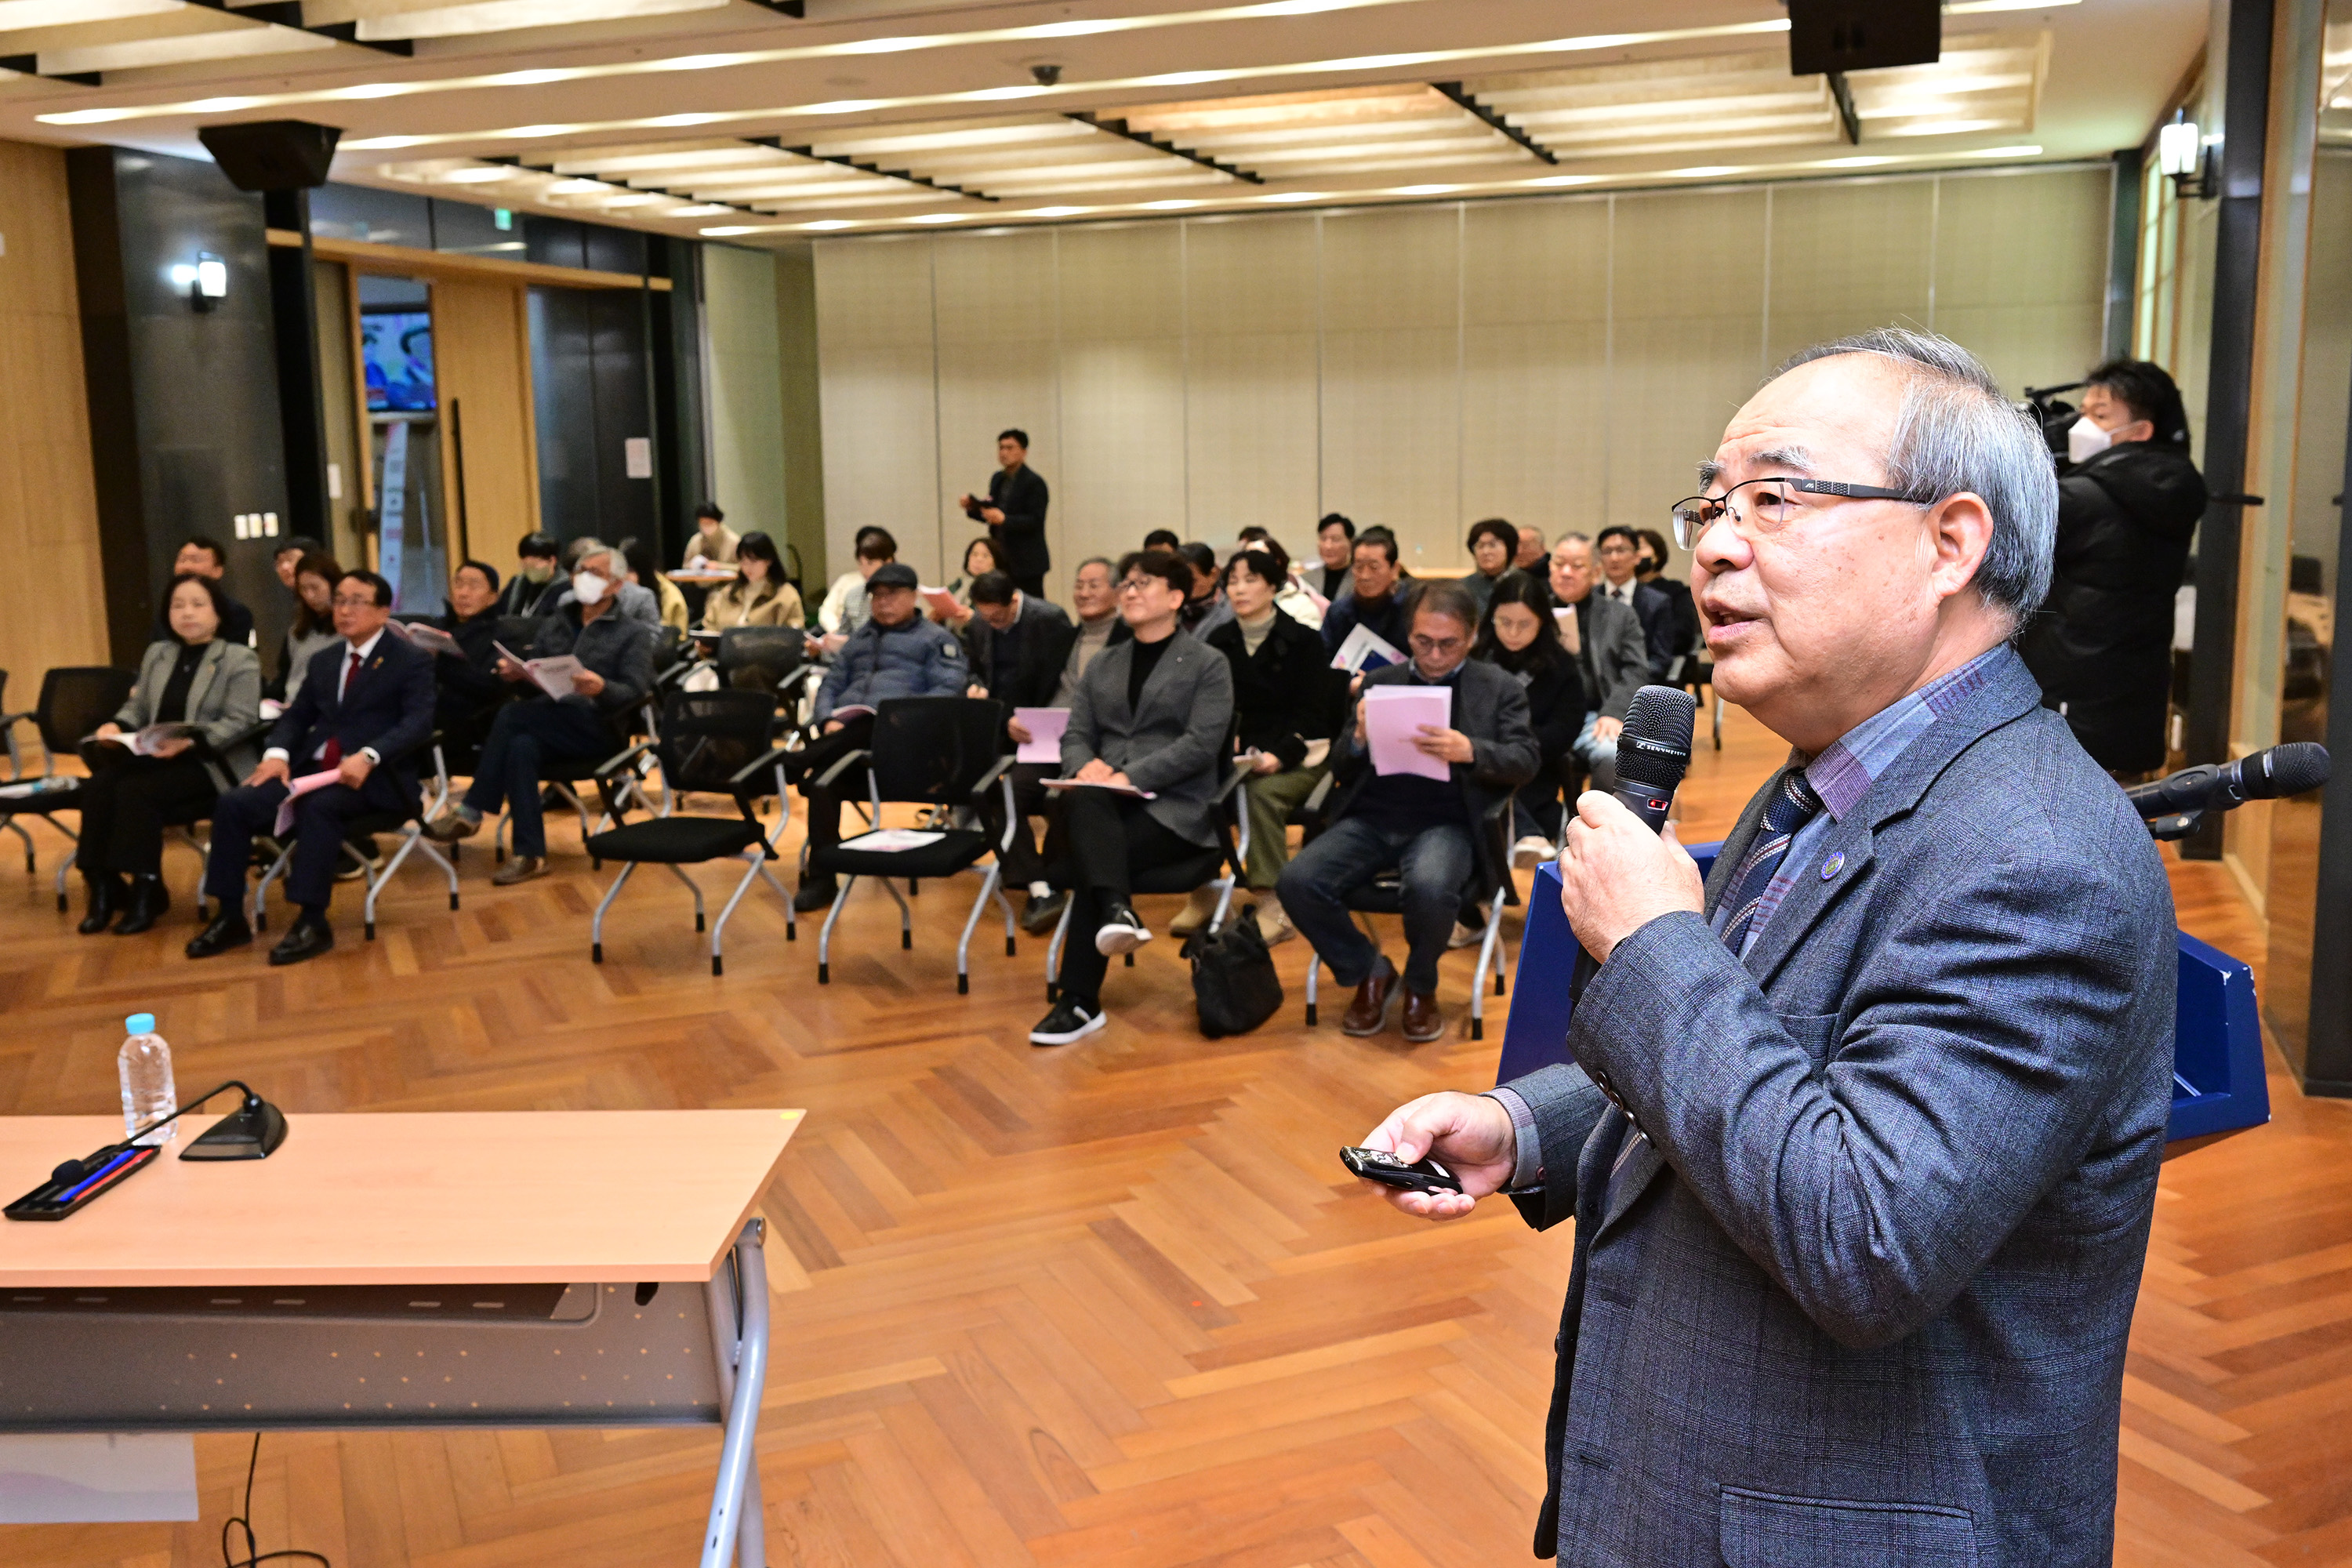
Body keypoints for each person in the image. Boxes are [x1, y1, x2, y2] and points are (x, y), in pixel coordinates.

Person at [1361, 329, 2175, 1568]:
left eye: (1777, 499)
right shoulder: (1824, 783)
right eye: (1711, 503)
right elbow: (1779, 1058)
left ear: (1950, 544)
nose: (1719, 543)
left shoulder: (2034, 852)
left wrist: (1651, 941)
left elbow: (1867, 1234)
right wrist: (1529, 1130)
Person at [1279, 581, 1534, 1042]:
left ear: (1472, 636)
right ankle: (1370, 971)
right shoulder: (1380, 683)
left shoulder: (1498, 688)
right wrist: (1357, 738)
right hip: (1373, 816)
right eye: (1422, 642)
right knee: (1296, 882)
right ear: (1408, 634)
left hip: (1448, 822)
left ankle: (1421, 985)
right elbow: (1338, 765)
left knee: (1431, 887)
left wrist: (1471, 750)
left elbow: (1526, 759)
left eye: (1448, 644)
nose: (1434, 655)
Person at [1027, 549, 1235, 1047]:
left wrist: (1128, 775)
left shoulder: (1208, 664)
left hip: (1176, 811)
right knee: (1086, 804)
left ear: (1177, 598)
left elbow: (1201, 745)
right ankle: (1116, 911)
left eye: (1145, 583)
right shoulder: (1105, 663)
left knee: (1087, 856)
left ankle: (1079, 1000)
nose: (1131, 591)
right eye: (1129, 584)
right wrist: (1085, 767)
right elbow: (1075, 733)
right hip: (1105, 806)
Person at [187, 569, 436, 967]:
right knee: (235, 803)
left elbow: (417, 723)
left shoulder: (410, 661)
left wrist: (371, 754)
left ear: (384, 612)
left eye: (357, 601)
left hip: (377, 780)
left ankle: (312, 921)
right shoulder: (324, 660)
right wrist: (277, 756)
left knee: (320, 808)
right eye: (340, 600)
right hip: (311, 772)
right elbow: (296, 717)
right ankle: (230, 914)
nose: (345, 609)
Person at [423, 542, 655, 885]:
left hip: (599, 728)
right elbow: (539, 676)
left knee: (512, 717)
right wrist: (519, 675)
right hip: (549, 719)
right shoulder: (557, 622)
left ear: (617, 585)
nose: (585, 579)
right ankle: (530, 855)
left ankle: (473, 809)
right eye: (580, 571)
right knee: (520, 746)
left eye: (596, 573)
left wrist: (602, 687)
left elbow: (636, 692)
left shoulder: (631, 632)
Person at [2019, 358, 2207, 775]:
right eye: (2082, 411)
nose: (2080, 425)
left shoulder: (2088, 498)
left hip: (2069, 695)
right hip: (2130, 691)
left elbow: (2002, 543)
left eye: (2099, 415)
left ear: (2140, 432)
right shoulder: (2167, 488)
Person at [75, 574, 263, 936]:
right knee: (98, 786)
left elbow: (242, 721)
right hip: (158, 756)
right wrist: (117, 726)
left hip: (208, 763)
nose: (187, 613)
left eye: (197, 604)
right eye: (178, 605)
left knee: (135, 791)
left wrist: (190, 743)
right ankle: (103, 886)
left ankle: (148, 888)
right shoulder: (159, 654)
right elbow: (139, 706)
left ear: (218, 613)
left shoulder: (238, 658)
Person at [791, 562, 972, 911]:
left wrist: (896, 717)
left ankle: (798, 760)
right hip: (849, 750)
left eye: (892, 595)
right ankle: (822, 877)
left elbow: (948, 693)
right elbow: (831, 683)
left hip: (908, 751)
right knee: (822, 784)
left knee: (874, 722)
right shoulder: (859, 640)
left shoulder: (936, 640)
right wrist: (827, 718)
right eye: (877, 595)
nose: (883, 603)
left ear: (913, 596)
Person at [1202, 540, 1331, 945]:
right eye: (1232, 582)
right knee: (1194, 788)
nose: (1239, 590)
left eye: (1250, 580)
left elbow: (1316, 714)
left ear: (1274, 586)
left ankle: (1273, 902)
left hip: (1302, 754)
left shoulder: (1304, 641)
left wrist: (1280, 754)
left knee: (1262, 793)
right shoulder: (1217, 643)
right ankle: (1203, 892)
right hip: (1237, 755)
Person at [1002, 557, 1129, 933]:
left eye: (1094, 585)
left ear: (1118, 591)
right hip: (1045, 743)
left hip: (1100, 750)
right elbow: (1019, 691)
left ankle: (1057, 879)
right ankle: (1040, 886)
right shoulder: (1057, 638)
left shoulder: (1131, 640)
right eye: (1079, 585)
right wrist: (1011, 719)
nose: (1084, 593)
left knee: (1067, 798)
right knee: (1004, 792)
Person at [1472, 570, 1586, 864]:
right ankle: (1527, 834)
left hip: (1534, 767)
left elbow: (1565, 728)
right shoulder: (1477, 657)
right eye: (1504, 622)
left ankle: (1526, 835)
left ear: (1542, 622)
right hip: (1475, 760)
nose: (1512, 633)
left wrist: (1514, 747)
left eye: (1524, 624)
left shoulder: (1560, 665)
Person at [1548, 532, 1650, 789]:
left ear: (1595, 574)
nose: (1566, 572)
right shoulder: (1533, 613)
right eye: (1559, 564)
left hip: (1595, 715)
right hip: (1542, 716)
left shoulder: (1621, 615)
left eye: (1577, 566)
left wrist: (1614, 713)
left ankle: (1596, 822)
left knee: (1611, 754)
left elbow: (1636, 670)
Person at [424, 559, 510, 750]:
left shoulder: (502, 635)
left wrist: (441, 662)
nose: (463, 593)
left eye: (474, 586)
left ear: (493, 597)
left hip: (466, 721)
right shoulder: (436, 628)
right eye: (459, 584)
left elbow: (490, 687)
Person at [960, 428, 1051, 597]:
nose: (1004, 452)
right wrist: (972, 507)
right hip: (1001, 557)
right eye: (1001, 448)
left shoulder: (1034, 483)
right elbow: (991, 513)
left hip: (1026, 561)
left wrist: (1005, 520)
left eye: (1010, 448)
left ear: (1024, 452)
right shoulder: (998, 478)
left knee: (1029, 608)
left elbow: (1035, 521)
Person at [960, 570, 1072, 707]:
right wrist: (975, 685)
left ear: (1014, 601)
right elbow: (974, 669)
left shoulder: (1050, 620)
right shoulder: (978, 622)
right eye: (985, 617)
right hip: (994, 709)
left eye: (997, 617)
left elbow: (1062, 677)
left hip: (1036, 708)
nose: (991, 623)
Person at [1595, 524, 1678, 681]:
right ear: (1600, 558)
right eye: (1607, 551)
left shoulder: (1657, 603)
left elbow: (1660, 659)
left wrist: (1630, 684)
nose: (1614, 558)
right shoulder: (1590, 598)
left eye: (1621, 550)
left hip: (1637, 687)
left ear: (1637, 557)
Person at [1319, 527, 1413, 659]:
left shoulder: (1412, 611)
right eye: (1359, 567)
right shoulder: (1337, 613)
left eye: (1374, 567)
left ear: (1394, 570)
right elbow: (1323, 663)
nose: (1365, 576)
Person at [266, 550, 343, 706]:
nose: (309, 596)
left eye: (315, 588)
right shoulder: (297, 632)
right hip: (292, 707)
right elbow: (286, 677)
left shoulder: (347, 631)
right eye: (303, 589)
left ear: (333, 585)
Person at [152, 536, 256, 648]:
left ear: (218, 571)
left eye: (195, 560)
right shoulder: (167, 611)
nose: (186, 566)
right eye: (182, 560)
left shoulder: (235, 613)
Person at [700, 531, 805, 630]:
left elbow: (794, 634)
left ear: (768, 560)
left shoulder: (785, 595)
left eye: (753, 561)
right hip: (725, 648)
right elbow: (710, 626)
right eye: (743, 561)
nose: (747, 567)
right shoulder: (729, 592)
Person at [1634, 524, 1701, 678]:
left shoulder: (1675, 592)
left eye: (1640, 548)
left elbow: (1683, 635)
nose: (1635, 554)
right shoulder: (1621, 593)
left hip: (1658, 665)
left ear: (1656, 555)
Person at [817, 527, 896, 649]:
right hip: (855, 660)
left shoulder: (901, 594)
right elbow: (841, 635)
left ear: (888, 562)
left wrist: (851, 642)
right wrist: (823, 649)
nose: (864, 570)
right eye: (860, 563)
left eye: (870, 563)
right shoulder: (853, 594)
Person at [619, 536, 689, 632]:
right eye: (621, 571)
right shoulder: (617, 589)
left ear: (643, 570)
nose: (624, 577)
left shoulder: (671, 598)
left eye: (630, 571)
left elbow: (677, 637)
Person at [495, 531, 567, 619]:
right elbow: (500, 613)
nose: (530, 570)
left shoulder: (566, 586)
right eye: (525, 566)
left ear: (552, 561)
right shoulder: (517, 584)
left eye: (534, 565)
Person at [935, 536, 1000, 629]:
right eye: (974, 554)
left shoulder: (997, 589)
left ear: (996, 562)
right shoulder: (957, 585)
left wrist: (973, 617)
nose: (979, 560)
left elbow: (998, 620)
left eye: (985, 556)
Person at [1461, 517, 1519, 613]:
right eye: (1480, 546)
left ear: (1509, 549)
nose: (1486, 552)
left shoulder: (1524, 584)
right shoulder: (1463, 587)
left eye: (1493, 545)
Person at [1175, 542, 1232, 637]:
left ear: (1213, 575)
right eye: (1178, 580)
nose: (1184, 586)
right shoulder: (1168, 611)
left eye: (1192, 581)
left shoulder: (1232, 612)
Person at [1304, 514, 1355, 603]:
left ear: (1350, 543)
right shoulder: (1306, 580)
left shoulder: (1359, 579)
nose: (1328, 546)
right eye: (1323, 539)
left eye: (1335, 539)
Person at [681, 503, 739, 568]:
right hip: (699, 578)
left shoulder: (733, 541)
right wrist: (693, 565)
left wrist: (719, 566)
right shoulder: (695, 541)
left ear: (718, 522)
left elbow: (742, 568)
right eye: (703, 523)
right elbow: (685, 566)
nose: (706, 526)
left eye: (710, 523)